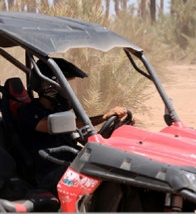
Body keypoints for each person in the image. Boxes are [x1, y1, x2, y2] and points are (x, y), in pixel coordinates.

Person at [17, 58, 129, 197]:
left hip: (70, 164)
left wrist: (116, 127)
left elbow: (86, 138)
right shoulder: (29, 111)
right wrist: (103, 116)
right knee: (106, 183)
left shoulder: (59, 109)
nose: (70, 90)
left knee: (119, 175)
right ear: (50, 88)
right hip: (49, 173)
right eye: (66, 85)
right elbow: (53, 125)